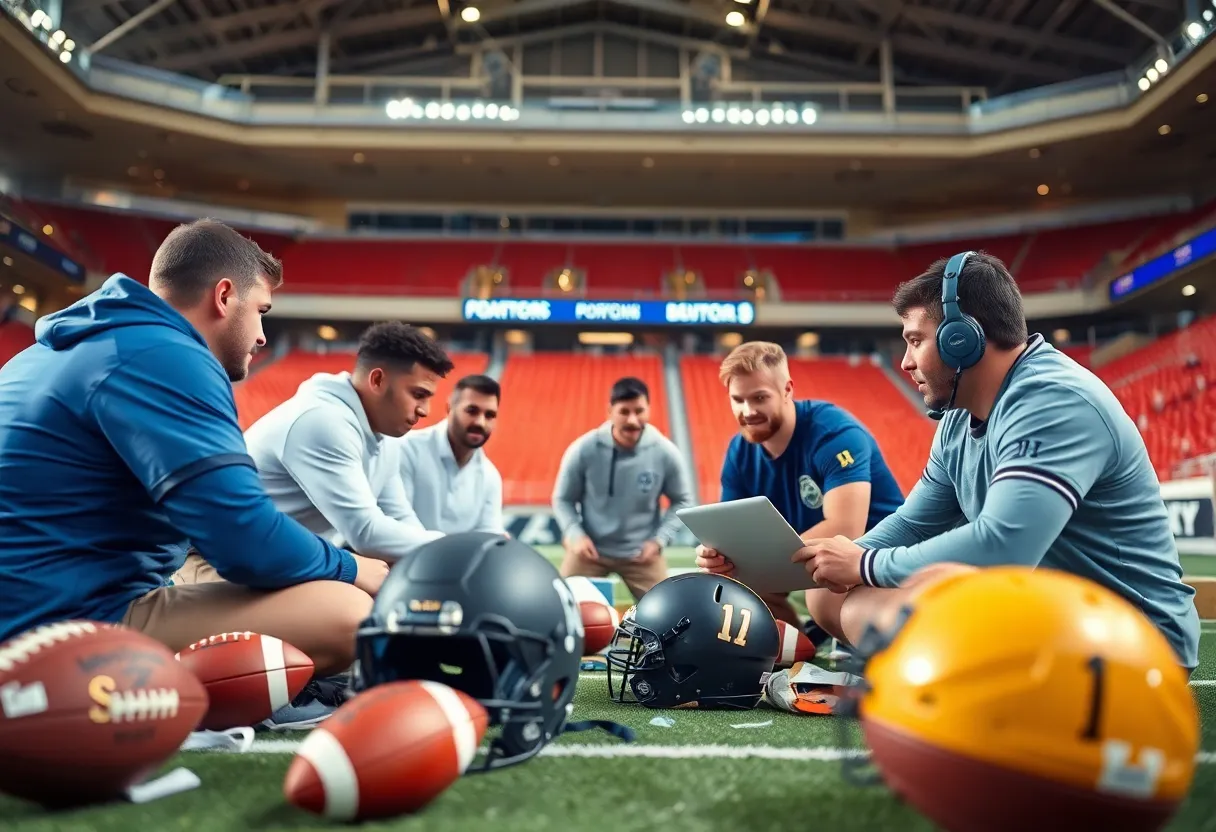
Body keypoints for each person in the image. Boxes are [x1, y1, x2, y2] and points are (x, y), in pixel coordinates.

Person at [707, 251, 1200, 672]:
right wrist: (819, 562)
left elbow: (1004, 544)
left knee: (866, 601)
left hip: (1133, 640)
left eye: (915, 340)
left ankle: (929, 668)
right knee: (829, 596)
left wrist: (866, 563)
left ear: (962, 339)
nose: (904, 361)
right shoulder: (959, 420)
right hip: (1056, 611)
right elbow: (911, 523)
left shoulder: (1054, 401)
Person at [0, 219, 388, 676]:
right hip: (54, 627)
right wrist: (352, 568)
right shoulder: (167, 354)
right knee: (349, 614)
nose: (263, 335)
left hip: (39, 602)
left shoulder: (53, 350)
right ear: (224, 296)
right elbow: (244, 540)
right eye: (261, 310)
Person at [695, 341, 905, 633]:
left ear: (787, 390)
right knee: (729, 586)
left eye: (759, 397)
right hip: (810, 557)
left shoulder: (835, 434)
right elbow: (731, 534)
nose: (748, 410)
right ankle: (792, 643)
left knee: (822, 586)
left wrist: (754, 559)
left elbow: (845, 530)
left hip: (875, 557)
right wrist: (718, 558)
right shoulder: (738, 452)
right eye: (738, 399)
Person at [240, 322, 455, 564]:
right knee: (367, 598)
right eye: (418, 395)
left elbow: (398, 517)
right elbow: (366, 533)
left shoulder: (384, 436)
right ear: (377, 380)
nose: (425, 411)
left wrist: (437, 554)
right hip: (221, 566)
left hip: (275, 562)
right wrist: (458, 549)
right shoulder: (323, 421)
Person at [552, 376, 694, 601]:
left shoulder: (665, 453)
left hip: (642, 555)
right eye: (624, 411)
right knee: (560, 604)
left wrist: (658, 541)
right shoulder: (584, 450)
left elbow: (683, 500)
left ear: (649, 410)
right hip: (590, 551)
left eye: (639, 411)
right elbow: (563, 499)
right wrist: (575, 534)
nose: (633, 420)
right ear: (609, 411)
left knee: (670, 616)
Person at [397, 373, 507, 535]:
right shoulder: (407, 450)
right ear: (449, 409)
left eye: (489, 415)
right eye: (472, 411)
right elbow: (398, 523)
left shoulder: (491, 477)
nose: (480, 422)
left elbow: (488, 537)